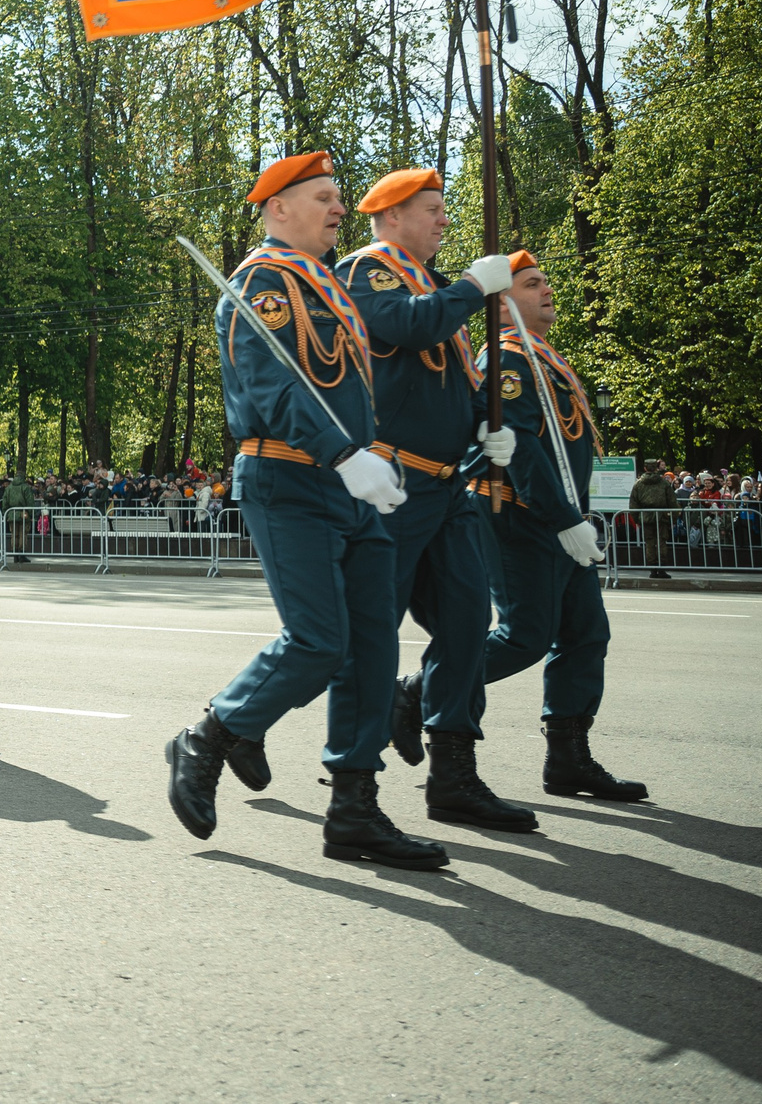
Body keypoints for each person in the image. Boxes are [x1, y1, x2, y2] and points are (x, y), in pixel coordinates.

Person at [160, 152, 444, 870]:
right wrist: (345, 453)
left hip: (355, 490)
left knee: (373, 649)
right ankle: (210, 734)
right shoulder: (261, 286)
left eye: (340, 198)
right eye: (324, 197)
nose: (339, 209)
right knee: (319, 641)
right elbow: (275, 393)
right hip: (291, 478)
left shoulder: (335, 290)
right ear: (278, 208)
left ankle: (353, 807)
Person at [337, 167, 531, 833]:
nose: (445, 220)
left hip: (448, 484)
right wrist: (475, 286)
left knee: (465, 624)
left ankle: (453, 775)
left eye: (446, 209)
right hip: (394, 484)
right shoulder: (372, 271)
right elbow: (407, 329)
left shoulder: (434, 287)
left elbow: (460, 382)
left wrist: (488, 422)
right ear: (391, 216)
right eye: (433, 209)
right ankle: (347, 780)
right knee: (367, 634)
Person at [476, 251, 649, 801]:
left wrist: (572, 519)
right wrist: (564, 518)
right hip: (522, 515)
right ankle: (409, 695)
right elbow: (522, 449)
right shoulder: (508, 358)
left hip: (558, 519)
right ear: (503, 303)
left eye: (546, 281)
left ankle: (568, 758)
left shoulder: (542, 357)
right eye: (531, 284)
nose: (546, 289)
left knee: (584, 634)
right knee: (524, 636)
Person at [629, 457, 680, 579]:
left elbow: (633, 504)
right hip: (662, 516)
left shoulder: (638, 484)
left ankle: (653, 569)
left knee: (649, 542)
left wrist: (637, 520)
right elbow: (673, 502)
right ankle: (661, 569)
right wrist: (673, 518)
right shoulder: (664, 483)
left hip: (646, 517)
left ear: (645, 468)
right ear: (656, 468)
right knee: (661, 542)